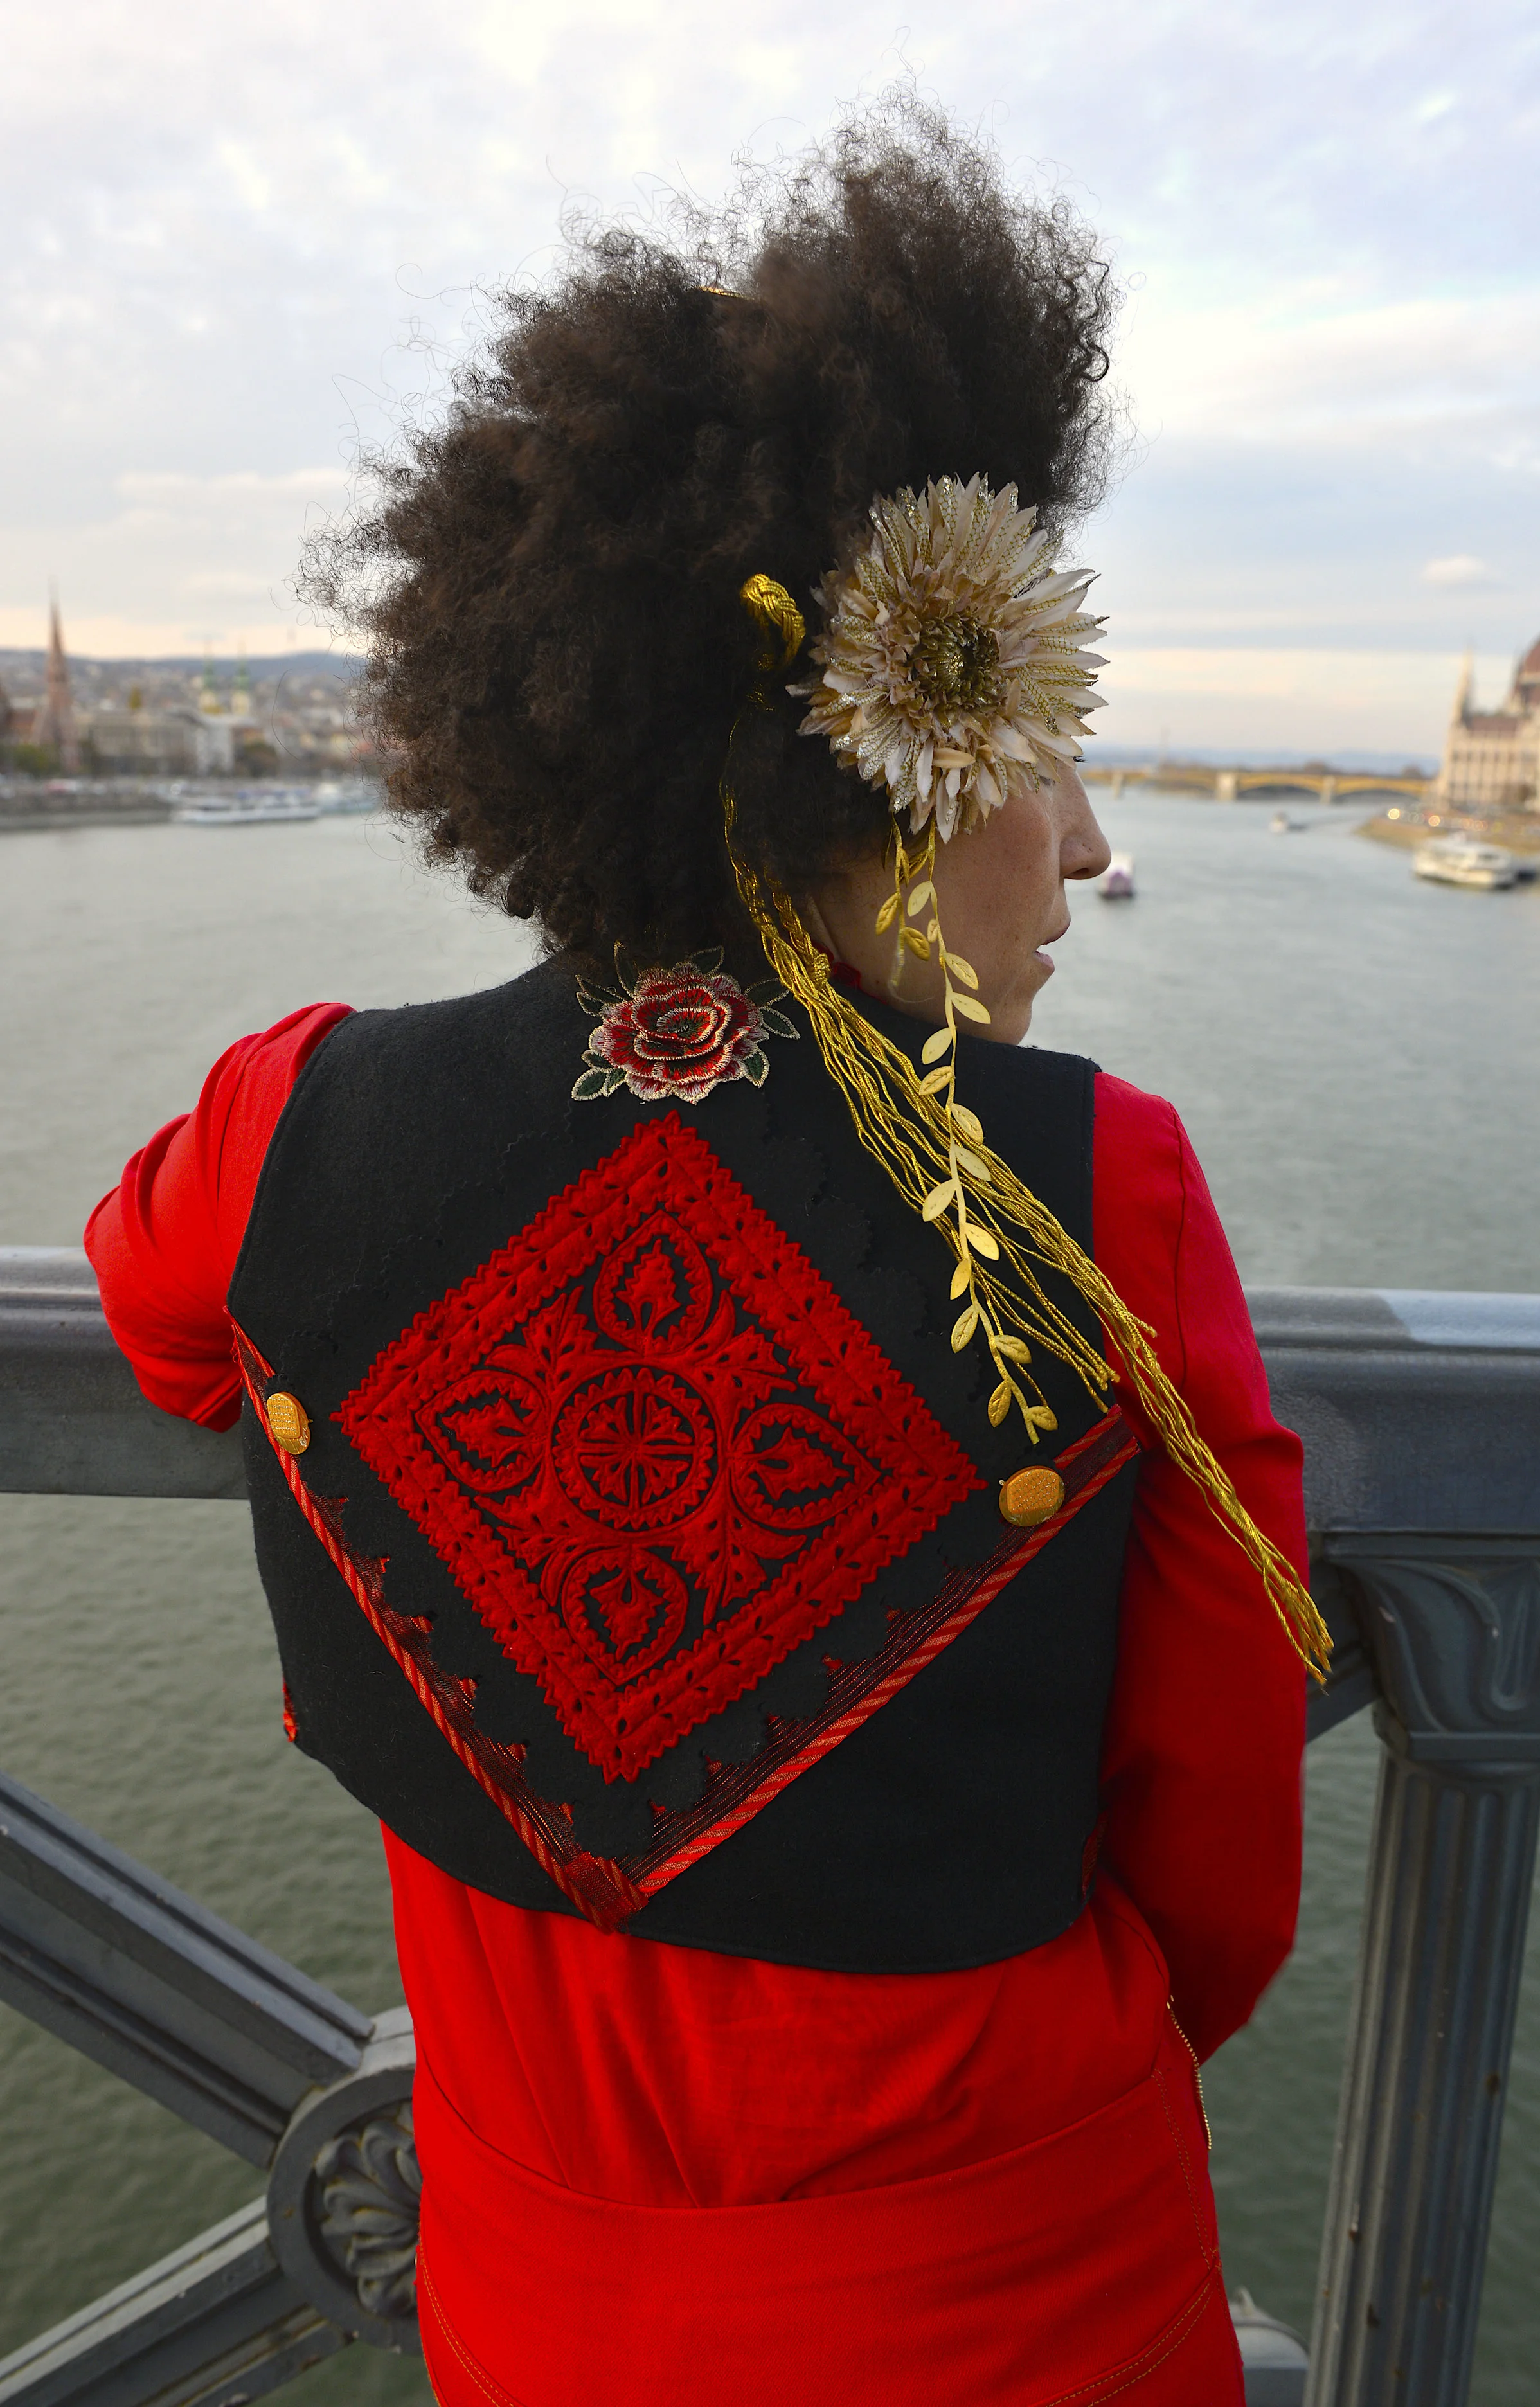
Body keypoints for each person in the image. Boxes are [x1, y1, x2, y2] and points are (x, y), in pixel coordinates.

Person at [87, 101, 1321, 2407]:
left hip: (533, 2289)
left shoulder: (294, 1115)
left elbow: (163, 1313)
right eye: (1036, 755)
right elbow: (1216, 1837)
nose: (1078, 846)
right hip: (1018, 2283)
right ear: (864, 774)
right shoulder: (1104, 1182)